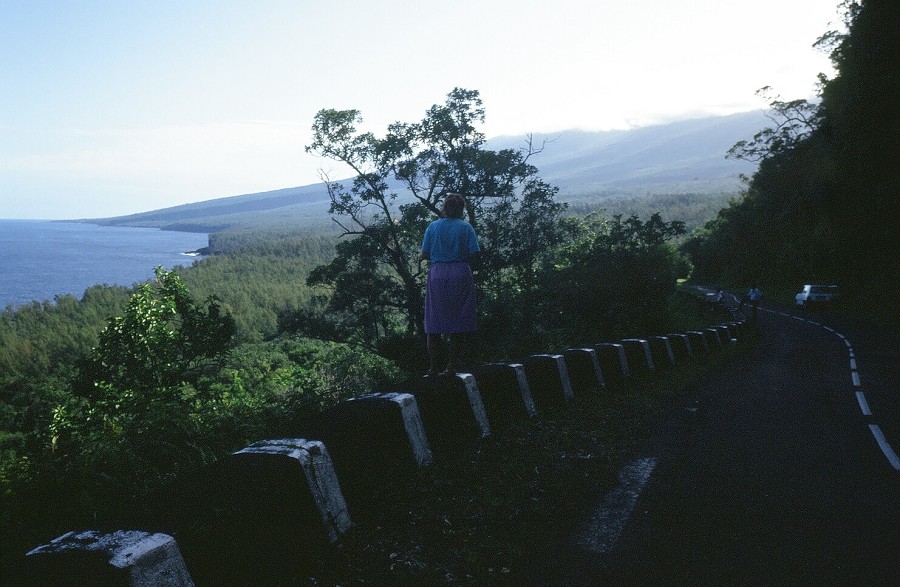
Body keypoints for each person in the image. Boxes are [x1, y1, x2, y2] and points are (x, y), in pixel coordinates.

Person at [420, 192, 480, 376]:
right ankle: (451, 367)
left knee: (434, 322)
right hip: (460, 272)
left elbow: (425, 253)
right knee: (458, 322)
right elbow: (474, 253)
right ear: (461, 209)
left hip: (438, 273)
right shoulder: (465, 228)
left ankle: (433, 367)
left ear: (444, 207)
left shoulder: (433, 227)